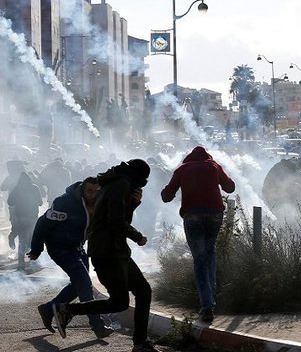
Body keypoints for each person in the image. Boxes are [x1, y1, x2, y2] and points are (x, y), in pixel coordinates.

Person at [52, 159, 156, 352]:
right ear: (138, 177)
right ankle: (67, 309)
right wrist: (138, 237)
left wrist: (133, 204)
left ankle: (141, 343)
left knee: (140, 292)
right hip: (109, 252)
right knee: (122, 300)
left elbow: (115, 216)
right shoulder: (121, 185)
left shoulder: (113, 183)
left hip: (112, 250)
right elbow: (116, 221)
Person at [28, 177, 113, 339]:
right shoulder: (65, 202)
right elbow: (42, 223)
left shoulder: (99, 202)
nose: (93, 195)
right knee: (85, 284)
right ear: (82, 190)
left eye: (96, 192)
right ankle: (98, 326)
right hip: (59, 247)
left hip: (78, 247)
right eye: (89, 191)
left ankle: (48, 309)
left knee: (78, 285)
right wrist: (36, 249)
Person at [161, 146, 235, 323]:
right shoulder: (213, 165)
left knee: (200, 259)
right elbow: (230, 187)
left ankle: (207, 306)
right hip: (215, 215)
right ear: (206, 156)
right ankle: (211, 299)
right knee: (210, 254)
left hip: (192, 215)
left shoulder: (182, 168)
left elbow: (166, 196)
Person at [7, 172, 43, 270]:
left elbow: (10, 201)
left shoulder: (17, 188)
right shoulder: (34, 188)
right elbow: (40, 202)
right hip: (32, 217)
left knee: (22, 240)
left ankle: (21, 263)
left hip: (21, 217)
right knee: (33, 239)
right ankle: (34, 262)